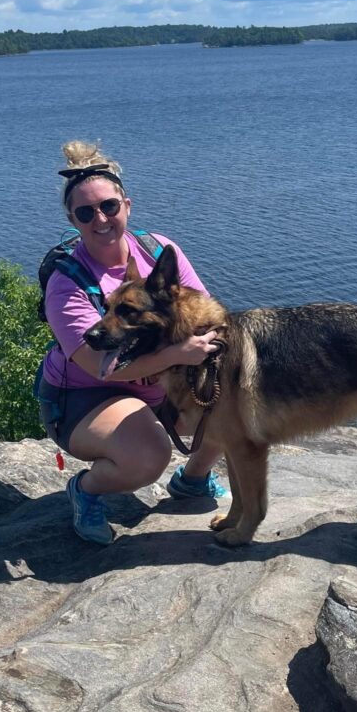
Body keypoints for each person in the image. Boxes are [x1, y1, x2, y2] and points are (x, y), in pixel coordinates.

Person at [36, 141, 225, 544]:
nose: (100, 219)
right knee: (148, 456)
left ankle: (193, 481)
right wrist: (175, 354)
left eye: (109, 206)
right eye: (86, 213)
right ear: (72, 218)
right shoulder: (66, 282)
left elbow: (206, 316)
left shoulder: (158, 250)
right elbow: (97, 364)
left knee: (231, 404)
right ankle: (85, 491)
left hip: (157, 387)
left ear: (127, 205)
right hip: (87, 397)